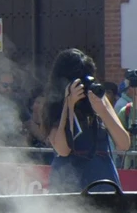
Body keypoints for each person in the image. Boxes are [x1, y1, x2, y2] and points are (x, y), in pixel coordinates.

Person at [44, 48, 128, 192]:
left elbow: (124, 144)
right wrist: (68, 106)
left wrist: (102, 110)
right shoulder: (54, 104)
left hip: (102, 176)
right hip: (68, 179)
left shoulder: (98, 98)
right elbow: (63, 150)